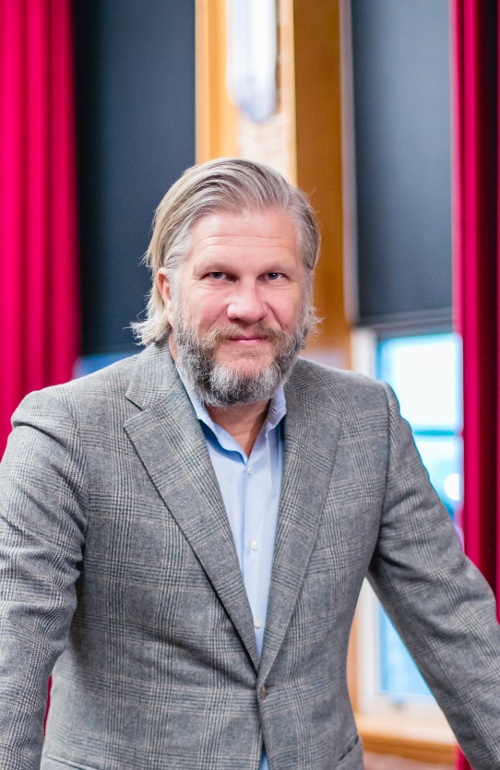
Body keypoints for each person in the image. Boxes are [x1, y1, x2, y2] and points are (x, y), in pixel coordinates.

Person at [0, 158, 499, 770]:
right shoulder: (66, 431)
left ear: (304, 287)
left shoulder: (367, 419)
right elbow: (11, 662)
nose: (249, 305)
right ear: (168, 290)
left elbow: (456, 626)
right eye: (219, 275)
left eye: (274, 276)